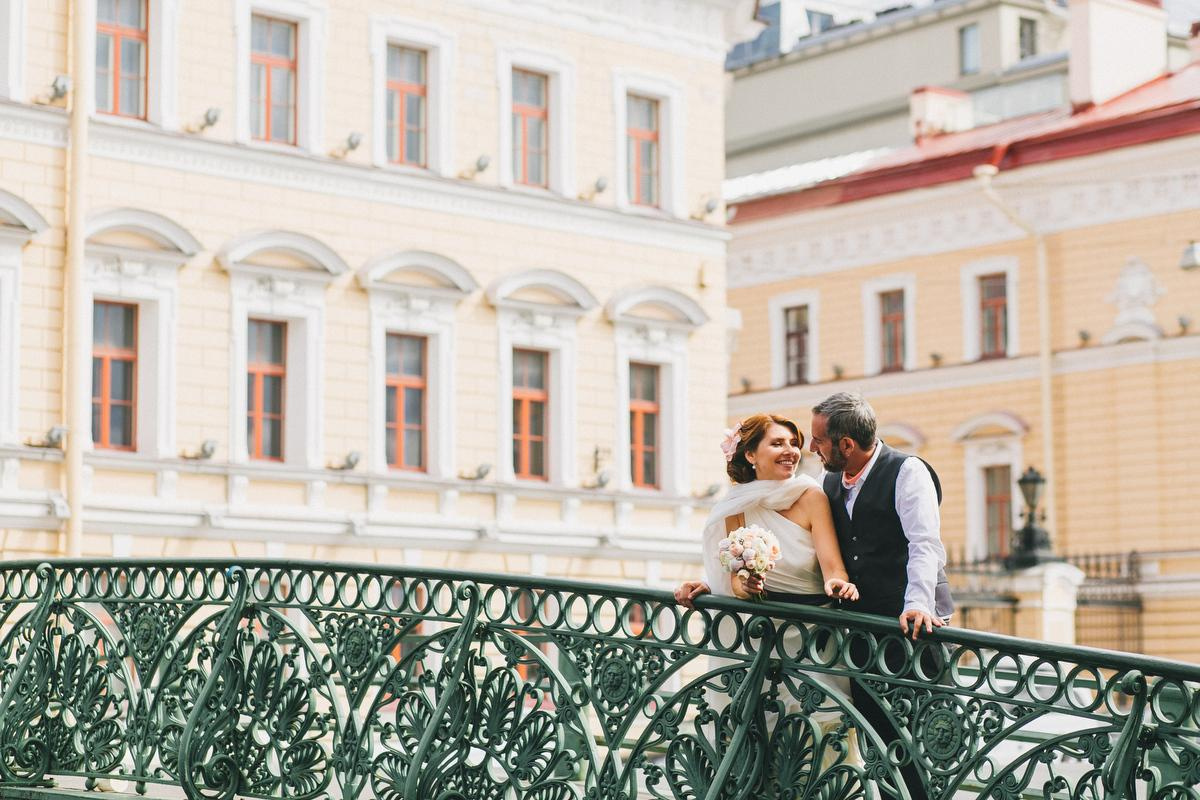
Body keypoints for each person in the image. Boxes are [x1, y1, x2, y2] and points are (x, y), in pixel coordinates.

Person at [808, 390, 954, 800]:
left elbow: (924, 544)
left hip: (910, 628)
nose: (812, 447)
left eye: (818, 440)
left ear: (846, 445)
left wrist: (918, 604)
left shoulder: (908, 472)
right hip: (862, 628)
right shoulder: (829, 479)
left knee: (914, 741)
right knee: (875, 736)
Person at [674, 413, 859, 608]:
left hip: (813, 623)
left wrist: (837, 582)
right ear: (750, 454)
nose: (791, 451)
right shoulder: (736, 505)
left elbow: (833, 567)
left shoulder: (812, 496)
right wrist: (745, 585)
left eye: (794, 443)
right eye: (777, 444)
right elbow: (735, 582)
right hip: (761, 626)